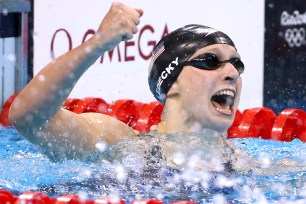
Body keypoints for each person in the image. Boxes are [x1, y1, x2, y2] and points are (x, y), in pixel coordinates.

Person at [8, 2, 305, 175]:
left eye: (237, 65)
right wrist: (97, 43)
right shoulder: (120, 145)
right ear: (171, 82)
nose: (231, 73)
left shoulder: (247, 165)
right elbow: (29, 118)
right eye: (210, 61)